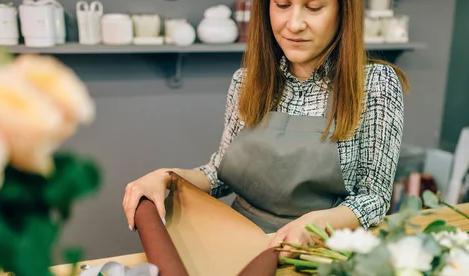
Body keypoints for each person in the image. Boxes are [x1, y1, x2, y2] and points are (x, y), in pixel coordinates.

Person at [123, 0, 408, 254]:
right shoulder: (245, 81)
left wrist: (316, 225)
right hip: (239, 244)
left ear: (343, 11)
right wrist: (166, 177)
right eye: (282, 5)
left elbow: (375, 197)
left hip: (319, 252)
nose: (294, 24)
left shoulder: (375, 84)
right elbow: (220, 173)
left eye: (313, 7)